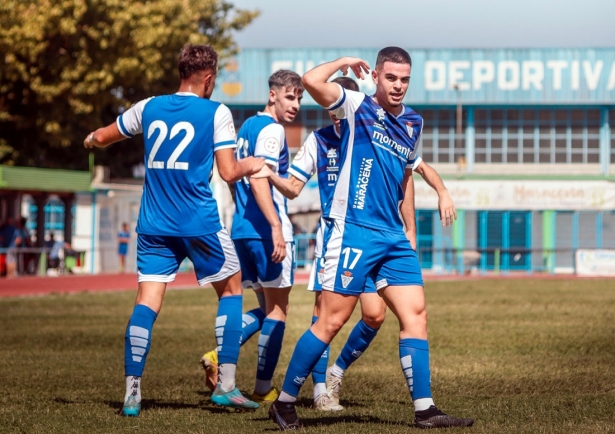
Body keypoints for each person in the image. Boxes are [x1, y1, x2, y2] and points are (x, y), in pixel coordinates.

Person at [268, 48, 474, 430]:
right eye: (391, 78)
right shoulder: (356, 106)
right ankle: (283, 402)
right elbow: (312, 81)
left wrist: (415, 222)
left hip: (392, 235)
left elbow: (407, 175)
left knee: (415, 315)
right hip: (354, 230)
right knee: (331, 320)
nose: (398, 85)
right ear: (376, 76)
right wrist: (343, 62)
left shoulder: (414, 122)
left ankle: (425, 409)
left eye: (405, 79)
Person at [83, 44, 265, 417]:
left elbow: (102, 137)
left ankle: (132, 394)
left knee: (146, 303)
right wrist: (253, 163)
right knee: (232, 289)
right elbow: (229, 172)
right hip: (198, 222)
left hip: (153, 225)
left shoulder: (148, 106)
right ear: (209, 77)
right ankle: (226, 386)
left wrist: (90, 140)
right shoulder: (217, 112)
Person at [200, 70, 303, 404]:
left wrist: (241, 209)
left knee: (264, 307)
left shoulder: (246, 127)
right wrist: (274, 225)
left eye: (300, 98)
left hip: (242, 230)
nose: (296, 105)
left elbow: (232, 175)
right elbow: (259, 177)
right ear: (272, 95)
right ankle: (262, 387)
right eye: (290, 96)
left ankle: (220, 354)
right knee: (278, 311)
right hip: (264, 231)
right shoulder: (272, 130)